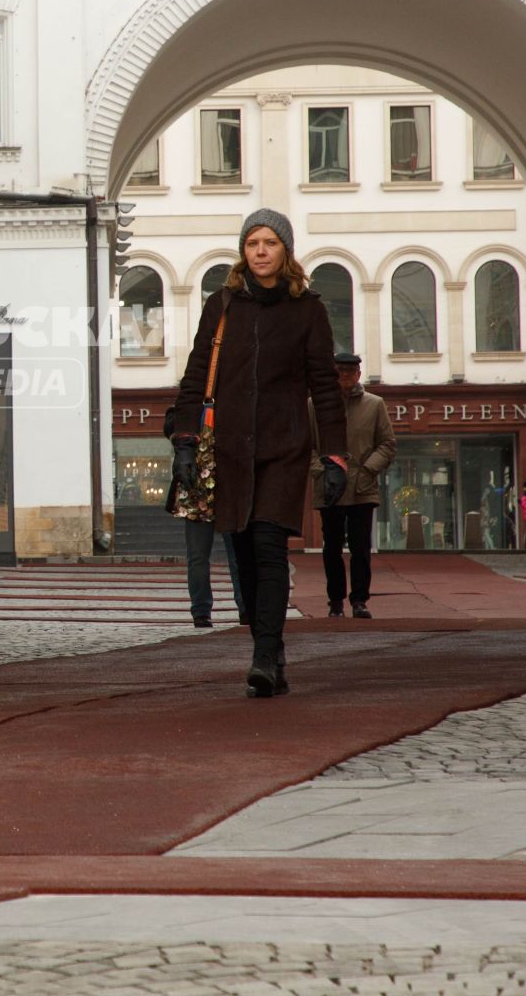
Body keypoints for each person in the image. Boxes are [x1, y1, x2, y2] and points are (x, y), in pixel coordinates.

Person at [170, 210, 349, 698]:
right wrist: (184, 440)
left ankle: (265, 655)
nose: (261, 251)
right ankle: (267, 643)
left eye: (271, 242)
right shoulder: (221, 305)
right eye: (253, 242)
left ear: (285, 251)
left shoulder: (307, 309)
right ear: (243, 251)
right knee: (244, 555)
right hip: (229, 450)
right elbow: (195, 374)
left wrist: (335, 455)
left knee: (269, 548)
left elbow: (326, 388)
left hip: (283, 448)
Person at [310, 352, 396, 619]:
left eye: (349, 372)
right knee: (331, 548)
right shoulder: (315, 406)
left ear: (359, 375)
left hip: (362, 488)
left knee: (361, 548)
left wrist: (368, 469)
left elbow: (387, 443)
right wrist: (321, 472)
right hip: (330, 489)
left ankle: (359, 600)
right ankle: (335, 601)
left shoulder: (374, 404)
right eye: (339, 372)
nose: (344, 377)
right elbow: (306, 446)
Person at [163, 406, 245, 627]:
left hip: (209, 490)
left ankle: (212, 610)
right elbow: (170, 427)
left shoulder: (196, 406)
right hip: (205, 490)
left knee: (217, 556)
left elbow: (171, 429)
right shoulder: (212, 404)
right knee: (221, 556)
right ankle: (208, 610)